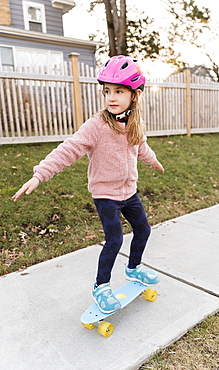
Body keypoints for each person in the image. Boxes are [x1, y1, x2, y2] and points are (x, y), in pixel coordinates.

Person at [12, 55, 164, 314]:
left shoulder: (134, 123)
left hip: (129, 193)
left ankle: (133, 268)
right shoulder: (96, 126)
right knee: (114, 240)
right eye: (107, 91)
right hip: (105, 195)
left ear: (135, 96)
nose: (111, 97)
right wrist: (40, 174)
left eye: (119, 91)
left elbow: (141, 147)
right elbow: (68, 149)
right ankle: (101, 286)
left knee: (143, 230)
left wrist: (154, 162)